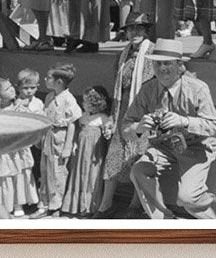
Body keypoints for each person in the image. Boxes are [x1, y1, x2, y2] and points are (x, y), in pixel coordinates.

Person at [122, 38, 216, 220]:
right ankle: (165, 221)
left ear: (179, 66)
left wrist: (184, 121)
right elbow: (125, 128)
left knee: (187, 198)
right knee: (139, 171)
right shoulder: (148, 89)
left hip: (196, 147)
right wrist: (138, 127)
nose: (162, 69)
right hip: (163, 147)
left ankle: (213, 218)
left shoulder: (197, 89)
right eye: (157, 63)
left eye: (167, 63)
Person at [97, 11, 155, 215]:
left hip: (146, 112)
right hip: (123, 110)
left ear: (146, 31)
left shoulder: (154, 54)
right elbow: (117, 87)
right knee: (114, 156)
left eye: (139, 28)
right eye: (131, 29)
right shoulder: (122, 55)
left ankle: (135, 206)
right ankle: (105, 206)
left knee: (140, 156)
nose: (134, 33)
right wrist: (113, 116)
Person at [0, 77, 38, 217]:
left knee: (18, 174)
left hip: (17, 147)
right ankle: (3, 204)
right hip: (1, 148)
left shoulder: (19, 108)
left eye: (11, 86)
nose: (13, 89)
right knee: (2, 176)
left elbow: (30, 124)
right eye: (7, 89)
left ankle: (18, 204)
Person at [34, 63, 82, 217]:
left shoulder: (68, 99)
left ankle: (55, 205)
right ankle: (44, 203)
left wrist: (68, 147)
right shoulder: (49, 97)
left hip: (60, 139)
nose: (45, 80)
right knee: (45, 170)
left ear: (59, 82)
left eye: (48, 78)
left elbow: (72, 123)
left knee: (58, 172)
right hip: (48, 137)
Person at [62, 86, 113, 217]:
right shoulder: (83, 117)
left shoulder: (102, 118)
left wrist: (108, 132)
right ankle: (75, 205)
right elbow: (78, 132)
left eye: (86, 102)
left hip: (93, 155)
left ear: (94, 104)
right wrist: (74, 143)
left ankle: (88, 207)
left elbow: (107, 133)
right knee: (78, 174)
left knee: (91, 177)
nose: (83, 104)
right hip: (80, 154)